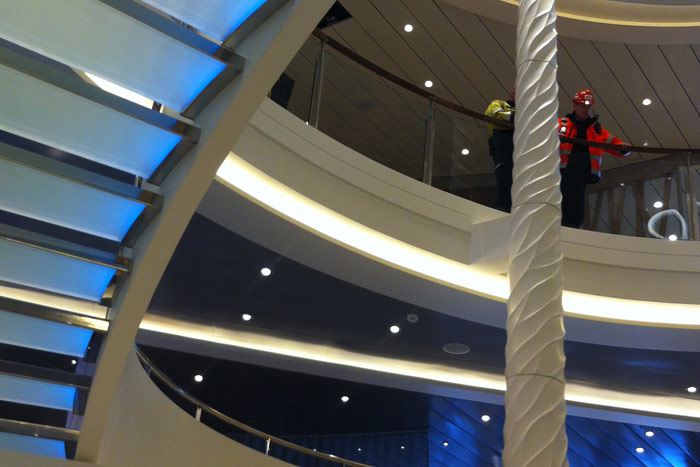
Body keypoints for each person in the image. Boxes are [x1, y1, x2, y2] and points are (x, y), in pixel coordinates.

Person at [558, 89, 630, 228]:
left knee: (577, 203)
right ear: (575, 106)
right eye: (583, 106)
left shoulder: (596, 129)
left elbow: (614, 144)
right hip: (563, 171)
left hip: (583, 172)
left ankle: (572, 229)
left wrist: (623, 148)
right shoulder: (561, 124)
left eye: (588, 107)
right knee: (561, 201)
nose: (586, 110)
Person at [485, 90, 516, 212]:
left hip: (517, 142)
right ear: (512, 94)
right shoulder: (499, 103)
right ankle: (502, 206)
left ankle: (508, 206)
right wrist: (515, 118)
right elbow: (494, 114)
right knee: (504, 175)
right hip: (502, 140)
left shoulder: (526, 111)